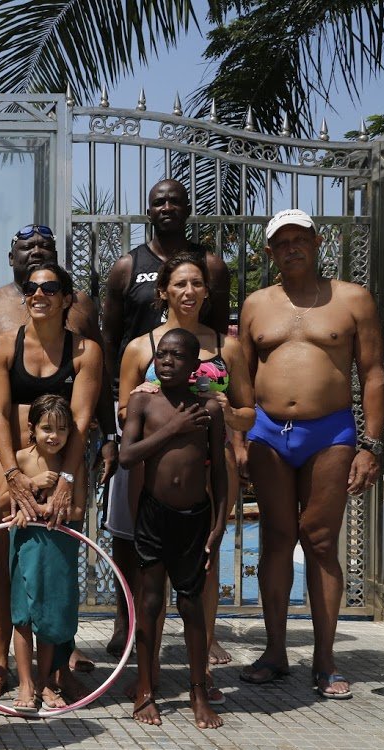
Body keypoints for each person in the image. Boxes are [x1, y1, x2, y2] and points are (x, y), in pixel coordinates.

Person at [0, 224, 110, 697]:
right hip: (11, 461)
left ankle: (55, 668)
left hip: (64, 463)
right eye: (33, 289)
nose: (40, 294)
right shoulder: (2, 343)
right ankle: (2, 665)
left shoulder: (85, 349)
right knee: (5, 563)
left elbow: (80, 419)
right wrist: (12, 474)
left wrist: (66, 478)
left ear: (66, 298)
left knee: (58, 563)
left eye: (51, 288)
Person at [238, 209, 384, 699]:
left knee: (320, 540)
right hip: (267, 432)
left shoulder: (353, 298)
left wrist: (371, 445)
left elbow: (373, 374)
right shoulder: (256, 304)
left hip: (330, 432)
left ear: (318, 243)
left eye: (300, 239)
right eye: (282, 242)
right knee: (277, 538)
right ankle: (275, 652)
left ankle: (325, 659)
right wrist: (239, 440)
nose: (292, 248)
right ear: (269, 252)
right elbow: (242, 377)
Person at [102, 180, 231, 657]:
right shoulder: (126, 268)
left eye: (176, 199)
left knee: (203, 538)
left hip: (203, 438)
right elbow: (110, 341)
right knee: (132, 538)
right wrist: (130, 410)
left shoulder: (210, 267)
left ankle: (204, 637)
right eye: (159, 201)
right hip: (145, 425)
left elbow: (220, 338)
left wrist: (221, 410)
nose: (168, 207)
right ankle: (130, 626)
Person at [119, 251, 255, 697]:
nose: (189, 291)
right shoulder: (141, 347)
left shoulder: (226, 345)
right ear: (163, 291)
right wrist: (151, 400)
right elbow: (124, 411)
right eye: (179, 283)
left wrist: (223, 411)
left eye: (197, 282)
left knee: (203, 570)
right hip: (155, 471)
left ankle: (203, 667)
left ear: (207, 290)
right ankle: (150, 672)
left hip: (210, 465)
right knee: (151, 578)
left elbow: (248, 413)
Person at [120, 327, 227, 729]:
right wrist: (172, 429)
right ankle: (146, 688)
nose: (167, 361)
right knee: (149, 602)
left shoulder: (209, 408)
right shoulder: (143, 403)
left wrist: (219, 524)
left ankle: (198, 690)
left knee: (191, 603)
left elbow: (219, 471)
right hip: (154, 514)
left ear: (194, 364)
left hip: (194, 516)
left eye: (177, 356)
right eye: (162, 354)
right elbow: (128, 457)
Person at [3, 394, 88, 712]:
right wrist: (33, 486)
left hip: (58, 547)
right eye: (47, 428)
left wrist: (49, 510)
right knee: (23, 616)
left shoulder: (72, 464)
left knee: (50, 616)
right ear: (32, 428)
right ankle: (25, 683)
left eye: (62, 430)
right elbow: (1, 501)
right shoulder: (20, 460)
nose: (54, 436)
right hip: (27, 544)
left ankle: (44, 681)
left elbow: (78, 509)